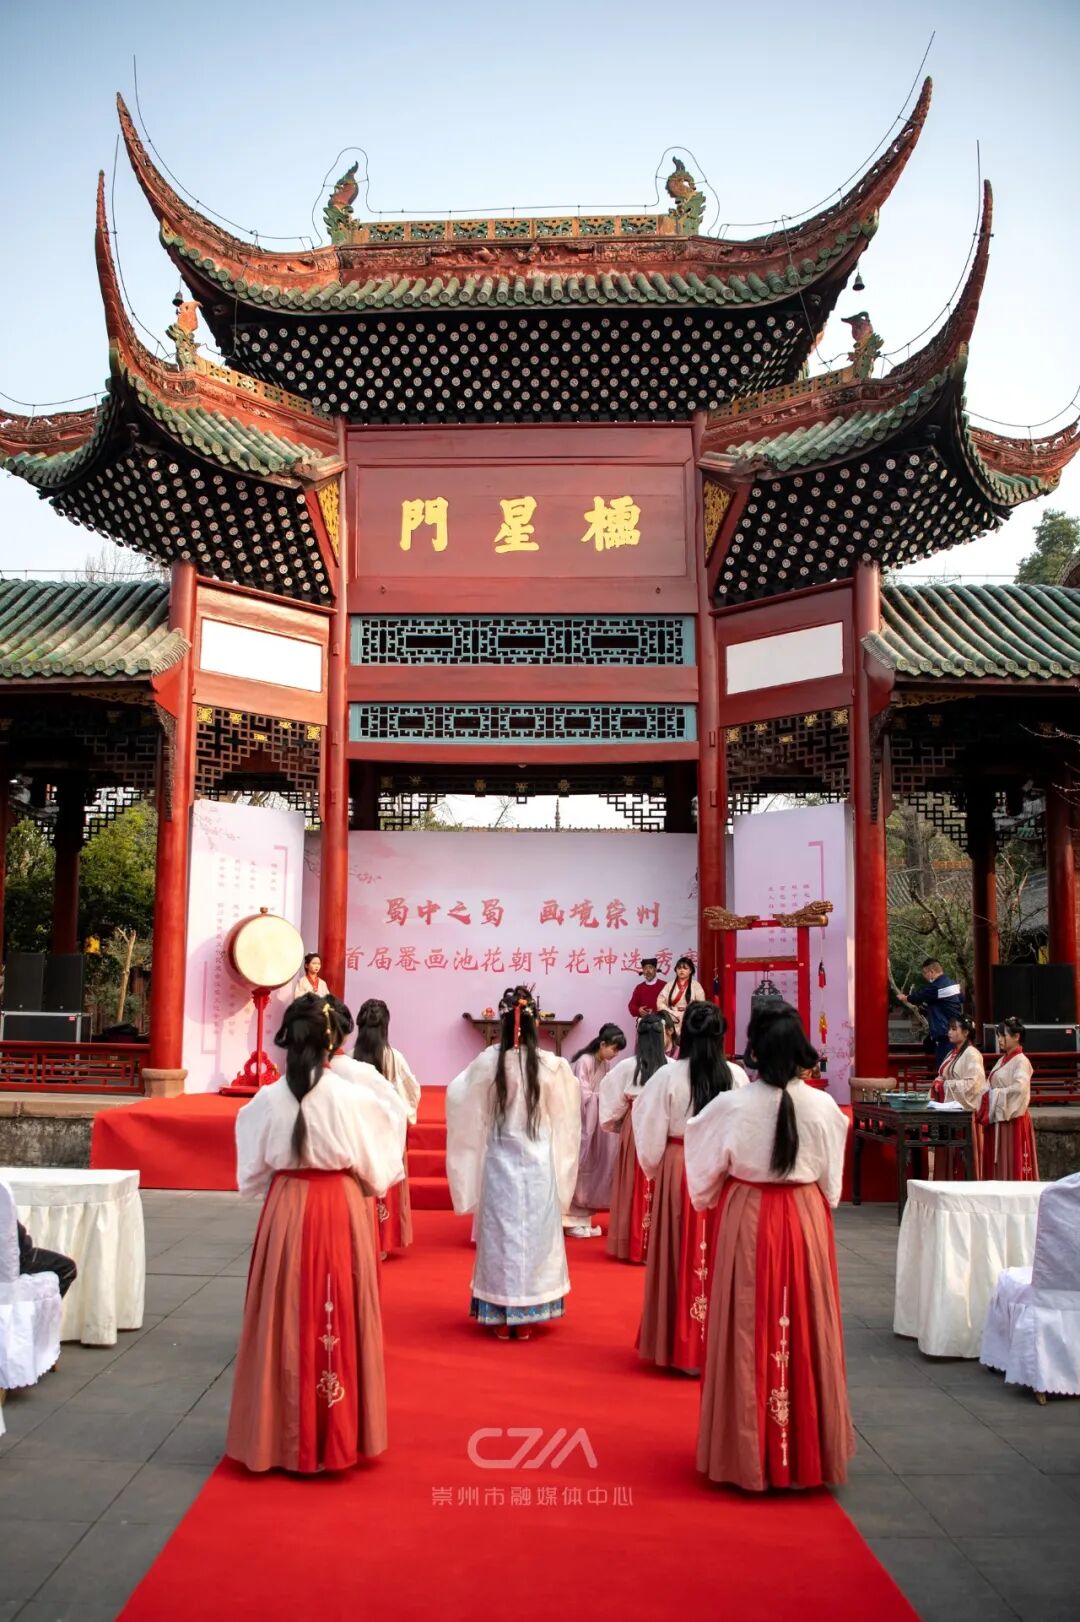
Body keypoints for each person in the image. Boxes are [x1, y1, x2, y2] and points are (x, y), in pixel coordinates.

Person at [225, 993, 405, 1474]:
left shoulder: (267, 1098)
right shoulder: (353, 1097)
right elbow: (380, 1167)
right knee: (337, 1309)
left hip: (286, 1206)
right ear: (332, 1042)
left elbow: (252, 1173)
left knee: (283, 1313)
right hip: (339, 1206)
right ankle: (336, 1435)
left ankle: (278, 1435)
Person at [685, 1010, 854, 1491]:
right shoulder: (823, 1106)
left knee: (745, 1325)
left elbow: (702, 1173)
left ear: (754, 1050)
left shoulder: (731, 1105)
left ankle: (746, 1451)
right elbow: (832, 1186)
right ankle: (806, 1449)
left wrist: (711, 1197)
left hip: (748, 1214)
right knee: (805, 1321)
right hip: (804, 1218)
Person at [446, 987, 580, 1340]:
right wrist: (564, 1170)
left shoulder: (488, 1062)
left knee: (501, 1235)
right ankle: (529, 1313)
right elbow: (567, 1121)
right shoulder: (552, 1066)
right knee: (535, 1236)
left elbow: (459, 1098)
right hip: (538, 1164)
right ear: (536, 1024)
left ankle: (501, 1313)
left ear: (502, 1023)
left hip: (499, 1159)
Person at [633, 1002, 749, 1375]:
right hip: (722, 1170)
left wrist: (654, 1167)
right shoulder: (735, 1076)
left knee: (678, 1251)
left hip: (679, 1164)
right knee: (720, 1253)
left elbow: (648, 1126)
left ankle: (677, 1344)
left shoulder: (667, 1076)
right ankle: (718, 1346)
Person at [348, 998, 422, 1257]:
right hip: (388, 1133)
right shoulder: (394, 1058)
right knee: (386, 1184)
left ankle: (360, 1237)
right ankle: (384, 1239)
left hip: (360, 1133)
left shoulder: (351, 1059)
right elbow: (411, 1092)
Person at [599, 1010, 673, 1263]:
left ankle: (632, 1243)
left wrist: (617, 1125)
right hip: (665, 1126)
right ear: (663, 1037)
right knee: (661, 1183)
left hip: (635, 1124)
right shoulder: (672, 1068)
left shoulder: (626, 1067)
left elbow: (610, 1099)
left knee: (634, 1180)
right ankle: (660, 1247)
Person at [564, 1024, 628, 1238]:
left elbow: (604, 1090)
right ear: (602, 1044)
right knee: (579, 1166)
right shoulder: (585, 1061)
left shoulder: (604, 1064)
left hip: (594, 1123)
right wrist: (603, 1099)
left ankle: (583, 1221)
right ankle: (570, 1221)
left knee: (592, 1168)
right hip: (581, 1122)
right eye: (614, 1049)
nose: (616, 1054)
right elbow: (581, 1095)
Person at [982, 1017, 1039, 1181]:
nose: (999, 1039)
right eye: (998, 1035)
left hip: (1013, 1118)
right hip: (998, 1116)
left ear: (1016, 1036)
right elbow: (988, 1084)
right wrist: (986, 1094)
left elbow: (1019, 1089)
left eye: (1003, 1035)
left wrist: (994, 1095)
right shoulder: (1002, 1060)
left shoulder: (1022, 1061)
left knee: (1012, 1159)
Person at [931, 1013, 986, 1179]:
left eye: (954, 1029)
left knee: (962, 1159)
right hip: (948, 1109)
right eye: (949, 1028)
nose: (949, 1032)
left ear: (966, 1032)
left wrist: (945, 1086)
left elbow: (974, 1085)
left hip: (963, 1114)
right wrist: (939, 1082)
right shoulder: (952, 1053)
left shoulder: (972, 1054)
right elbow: (943, 1075)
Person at [898, 958, 964, 1068]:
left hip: (945, 1032)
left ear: (931, 972)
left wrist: (904, 997)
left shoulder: (936, 987)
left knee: (944, 1067)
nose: (925, 977)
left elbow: (918, 997)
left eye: (925, 973)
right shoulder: (952, 983)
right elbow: (961, 999)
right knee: (929, 1044)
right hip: (955, 1029)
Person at [17, 1221, 77, 1297]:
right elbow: (20, 1237)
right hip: (18, 1257)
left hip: (13, 1255)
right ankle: (50, 1303)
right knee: (68, 1268)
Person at [656, 956, 707, 1040]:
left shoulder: (696, 986)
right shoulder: (669, 985)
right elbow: (660, 1002)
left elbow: (701, 1005)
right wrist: (670, 1012)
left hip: (689, 1018)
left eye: (685, 968)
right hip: (672, 1017)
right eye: (679, 968)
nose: (681, 970)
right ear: (676, 970)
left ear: (690, 970)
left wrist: (688, 1013)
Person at [628, 958, 664, 1022]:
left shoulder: (664, 985)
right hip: (644, 1023)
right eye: (645, 968)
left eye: (650, 967)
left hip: (660, 1022)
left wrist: (655, 1013)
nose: (648, 971)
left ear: (655, 969)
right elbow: (631, 1005)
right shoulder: (639, 987)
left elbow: (670, 1005)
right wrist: (638, 1010)